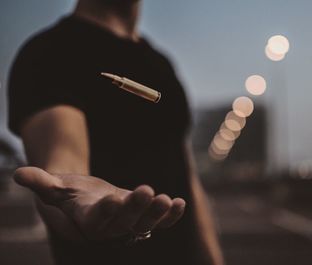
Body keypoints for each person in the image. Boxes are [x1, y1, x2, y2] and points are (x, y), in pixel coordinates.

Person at [7, 0, 224, 264]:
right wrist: (75, 202)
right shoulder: (48, 54)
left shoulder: (161, 64)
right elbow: (61, 160)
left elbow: (186, 177)